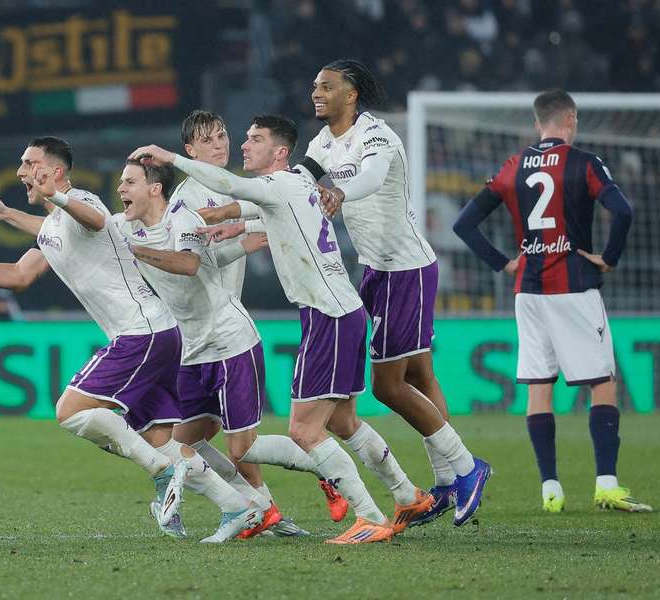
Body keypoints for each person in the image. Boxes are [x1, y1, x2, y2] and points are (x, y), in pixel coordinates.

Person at [0, 136, 262, 543]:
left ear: (54, 171)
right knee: (160, 440)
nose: (22, 171)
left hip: (143, 331)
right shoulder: (52, 228)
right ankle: (237, 507)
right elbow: (18, 276)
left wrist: (57, 198)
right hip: (158, 334)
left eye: (30, 164)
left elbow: (95, 221)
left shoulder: (82, 201)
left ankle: (163, 473)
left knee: (70, 410)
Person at [129, 115, 434, 544]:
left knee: (301, 432)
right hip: (340, 311)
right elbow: (250, 207)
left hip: (324, 315)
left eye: (254, 139)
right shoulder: (295, 185)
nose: (242, 144)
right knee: (343, 421)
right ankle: (407, 494)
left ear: (280, 153)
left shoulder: (276, 184)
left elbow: (239, 193)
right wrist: (234, 225)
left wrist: (172, 159)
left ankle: (368, 517)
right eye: (245, 135)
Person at [304, 59, 491, 528]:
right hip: (376, 270)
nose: (317, 93)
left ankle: (468, 469)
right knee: (422, 376)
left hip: (404, 268)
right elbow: (298, 183)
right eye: (314, 86)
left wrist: (337, 188)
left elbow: (368, 178)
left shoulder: (377, 135)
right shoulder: (322, 143)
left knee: (389, 386)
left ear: (351, 94)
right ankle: (447, 479)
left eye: (326, 86)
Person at [453, 89, 651, 513]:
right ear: (571, 119)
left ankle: (550, 490)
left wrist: (504, 263)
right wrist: (609, 259)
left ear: (537, 122)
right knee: (602, 380)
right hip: (575, 285)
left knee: (539, 385)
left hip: (528, 289)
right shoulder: (584, 163)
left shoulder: (513, 166)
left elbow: (464, 223)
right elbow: (625, 211)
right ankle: (607, 484)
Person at [114, 157, 310, 538]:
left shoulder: (183, 216)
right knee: (179, 443)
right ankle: (257, 509)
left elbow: (191, 265)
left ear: (154, 188)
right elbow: (84, 227)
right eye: (206, 138)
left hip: (228, 340)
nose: (121, 189)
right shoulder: (130, 224)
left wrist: (136, 251)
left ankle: (325, 466)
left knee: (243, 447)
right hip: (191, 349)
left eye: (129, 181)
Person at [168, 110, 337, 535]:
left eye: (223, 135)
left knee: (232, 443)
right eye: (207, 140)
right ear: (189, 151)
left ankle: (319, 471)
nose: (220, 145)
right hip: (196, 334)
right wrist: (244, 242)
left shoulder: (240, 190)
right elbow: (192, 263)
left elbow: (279, 212)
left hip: (225, 332)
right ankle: (267, 508)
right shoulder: (189, 200)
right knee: (197, 442)